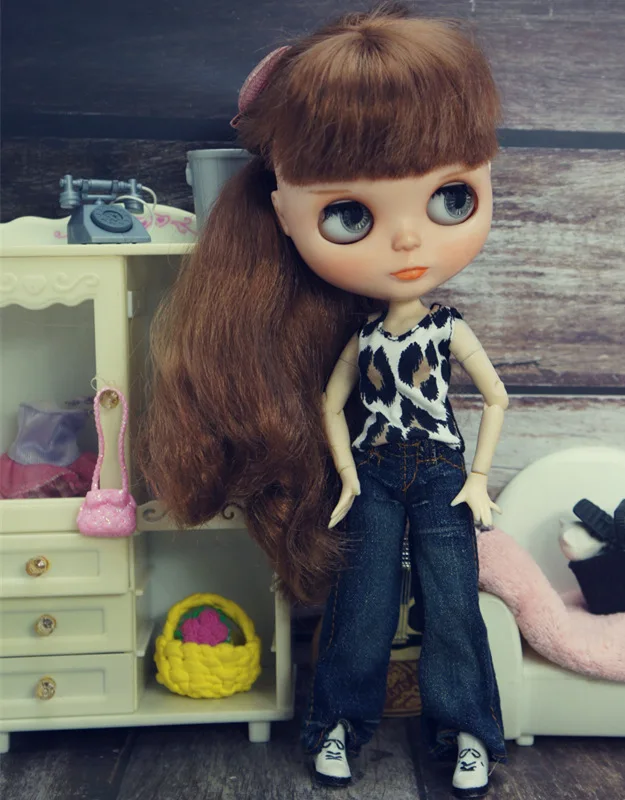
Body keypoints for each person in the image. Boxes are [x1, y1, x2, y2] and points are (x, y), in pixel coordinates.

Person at [138, 3, 508, 796]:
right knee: (361, 600)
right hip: (371, 473)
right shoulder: (357, 338)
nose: (407, 241)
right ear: (284, 214)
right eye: (349, 215)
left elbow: (497, 399)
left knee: (452, 602)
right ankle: (337, 725)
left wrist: (480, 479)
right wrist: (344, 477)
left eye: (451, 198)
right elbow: (331, 404)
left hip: (441, 471)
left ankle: (469, 733)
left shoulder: (447, 329)